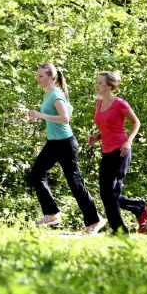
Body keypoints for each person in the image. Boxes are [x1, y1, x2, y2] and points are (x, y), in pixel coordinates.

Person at [25, 63, 106, 235]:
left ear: (51, 77)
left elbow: (65, 119)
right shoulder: (48, 93)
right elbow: (67, 112)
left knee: (75, 182)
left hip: (65, 143)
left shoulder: (56, 94)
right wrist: (39, 117)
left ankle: (95, 220)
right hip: (54, 142)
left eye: (41, 76)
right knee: (36, 174)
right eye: (38, 75)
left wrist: (41, 115)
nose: (37, 79)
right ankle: (52, 214)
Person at [88, 71, 147, 234]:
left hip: (121, 151)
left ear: (109, 86)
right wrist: (98, 137)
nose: (97, 85)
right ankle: (139, 207)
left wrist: (128, 142)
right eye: (97, 82)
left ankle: (120, 231)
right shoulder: (99, 104)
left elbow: (136, 123)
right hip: (107, 151)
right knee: (106, 193)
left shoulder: (120, 103)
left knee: (111, 192)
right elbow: (109, 126)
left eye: (100, 83)